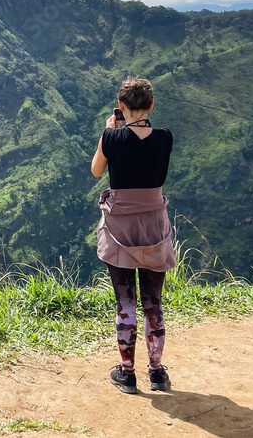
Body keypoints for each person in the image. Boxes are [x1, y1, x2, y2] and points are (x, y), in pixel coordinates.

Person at [90, 76, 176, 394]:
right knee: (153, 302)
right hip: (154, 225)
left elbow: (96, 170)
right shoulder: (165, 138)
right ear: (151, 105)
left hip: (120, 229)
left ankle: (127, 373)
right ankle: (157, 372)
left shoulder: (112, 138)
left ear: (122, 107)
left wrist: (109, 133)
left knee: (125, 301)